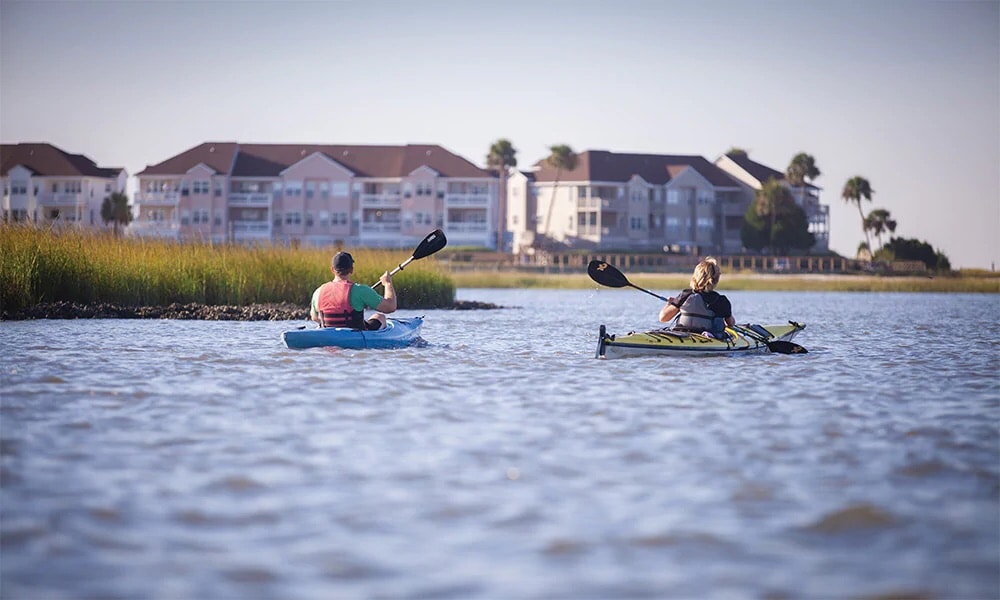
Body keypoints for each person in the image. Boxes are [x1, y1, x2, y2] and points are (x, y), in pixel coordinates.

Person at [310, 251, 396, 330]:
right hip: (356, 336)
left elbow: (314, 317)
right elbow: (390, 307)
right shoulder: (360, 290)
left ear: (332, 270)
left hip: (328, 335)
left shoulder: (318, 291)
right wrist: (388, 284)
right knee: (380, 317)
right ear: (351, 269)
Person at [658, 256, 736, 338]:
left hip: (682, 334)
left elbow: (663, 318)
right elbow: (730, 323)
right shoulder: (721, 301)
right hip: (706, 337)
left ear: (695, 277)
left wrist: (669, 304)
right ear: (716, 279)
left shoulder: (685, 295)